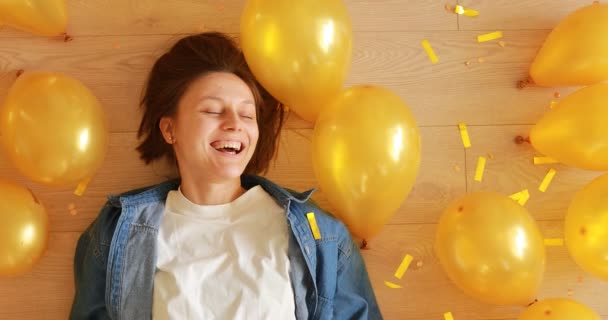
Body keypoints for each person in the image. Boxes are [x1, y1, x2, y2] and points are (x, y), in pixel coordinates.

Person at [69, 31, 382, 320]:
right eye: (213, 111)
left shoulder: (321, 237)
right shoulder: (116, 234)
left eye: (247, 114)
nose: (235, 124)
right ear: (169, 128)